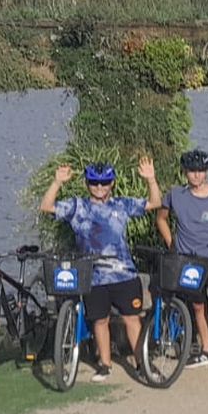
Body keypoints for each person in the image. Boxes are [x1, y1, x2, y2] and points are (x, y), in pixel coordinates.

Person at [39, 156, 162, 383]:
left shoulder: (122, 205)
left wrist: (151, 180)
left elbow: (154, 204)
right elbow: (46, 207)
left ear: (112, 184)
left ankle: (141, 363)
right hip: (94, 277)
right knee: (100, 321)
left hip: (124, 274)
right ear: (87, 184)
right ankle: (105, 364)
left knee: (132, 319)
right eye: (94, 183)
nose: (99, 187)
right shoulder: (78, 206)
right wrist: (57, 183)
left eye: (104, 183)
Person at [156, 149, 208, 375]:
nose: (196, 176)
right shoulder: (175, 195)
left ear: (207, 173)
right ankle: (206, 349)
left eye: (201, 171)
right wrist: (171, 242)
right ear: (184, 172)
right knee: (198, 306)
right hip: (191, 262)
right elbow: (161, 218)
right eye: (192, 171)